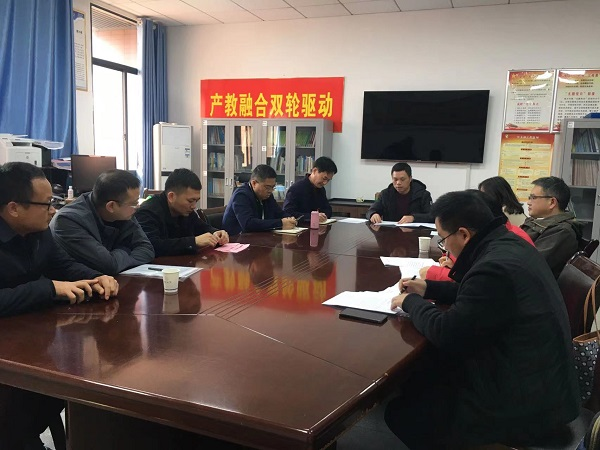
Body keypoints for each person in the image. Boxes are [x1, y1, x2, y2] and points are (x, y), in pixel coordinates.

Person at [387, 190, 579, 449]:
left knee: (402, 413)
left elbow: (447, 333)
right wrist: (429, 288)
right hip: (543, 384)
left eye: (443, 240)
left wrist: (411, 302)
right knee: (423, 376)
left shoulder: (493, 267)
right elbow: (480, 295)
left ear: (464, 234)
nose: (445, 247)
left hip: (525, 406)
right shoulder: (508, 244)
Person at [0, 162, 119, 450]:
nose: (53, 211)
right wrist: (49, 288)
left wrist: (97, 278)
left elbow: (63, 265)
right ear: (14, 208)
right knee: (15, 418)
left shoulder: (38, 231)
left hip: (33, 343)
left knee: (68, 390)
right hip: (7, 360)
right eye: (46, 204)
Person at [50, 169, 154, 276]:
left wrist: (115, 256)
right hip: (78, 283)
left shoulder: (125, 212)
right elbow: (108, 266)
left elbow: (147, 250)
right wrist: (125, 248)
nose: (137, 207)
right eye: (134, 203)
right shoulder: (67, 221)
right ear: (111, 206)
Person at [420, 189, 534, 281]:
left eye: (443, 239)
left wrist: (432, 275)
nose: (445, 246)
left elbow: (474, 284)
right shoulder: (502, 237)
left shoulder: (494, 260)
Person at [135, 168, 229, 256]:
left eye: (196, 201)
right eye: (190, 201)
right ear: (171, 196)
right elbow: (152, 246)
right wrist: (194, 242)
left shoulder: (185, 210)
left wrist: (217, 233)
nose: (194, 206)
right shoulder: (147, 212)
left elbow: (202, 227)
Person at [521, 176, 582, 278]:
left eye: (533, 198)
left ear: (552, 202)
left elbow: (528, 264)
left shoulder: (562, 232)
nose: (528, 202)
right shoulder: (537, 222)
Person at [222, 164, 296, 235]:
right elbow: (248, 224)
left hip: (257, 236)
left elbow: (278, 212)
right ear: (254, 183)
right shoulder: (241, 195)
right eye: (267, 187)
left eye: (273, 187)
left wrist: (290, 218)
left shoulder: (267, 195)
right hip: (236, 239)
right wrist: (280, 223)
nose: (270, 191)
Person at [367, 162, 432, 224]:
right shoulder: (385, 194)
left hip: (415, 231)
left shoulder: (423, 195)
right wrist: (373, 214)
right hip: (390, 230)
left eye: (402, 179)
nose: (398, 183)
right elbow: (371, 210)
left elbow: (431, 216)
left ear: (410, 179)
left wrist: (413, 218)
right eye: (395, 179)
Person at [282, 156, 337, 223]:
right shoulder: (296, 188)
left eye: (328, 180)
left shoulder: (321, 189)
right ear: (315, 171)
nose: (325, 183)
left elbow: (327, 209)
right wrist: (312, 217)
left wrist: (323, 215)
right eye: (324, 178)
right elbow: (287, 212)